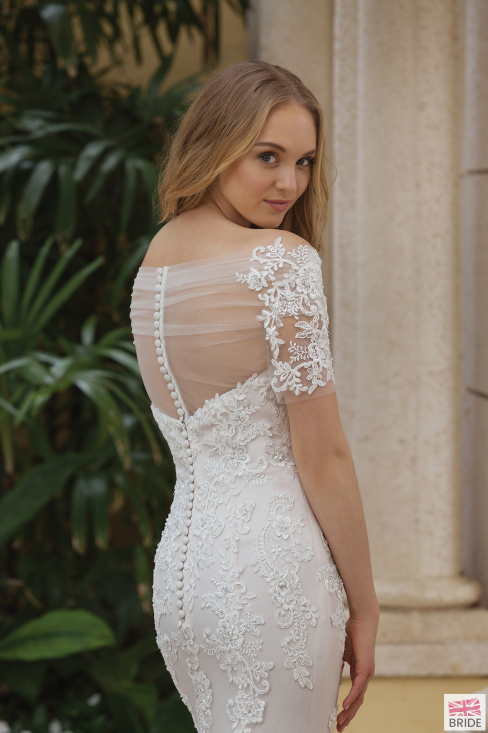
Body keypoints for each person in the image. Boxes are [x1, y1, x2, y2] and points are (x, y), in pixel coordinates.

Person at [130, 60, 379, 733]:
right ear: (216, 142)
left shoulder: (157, 259)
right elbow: (323, 455)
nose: (289, 183)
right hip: (274, 577)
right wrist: (367, 606)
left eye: (303, 161)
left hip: (184, 580)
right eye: (267, 156)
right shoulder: (280, 261)